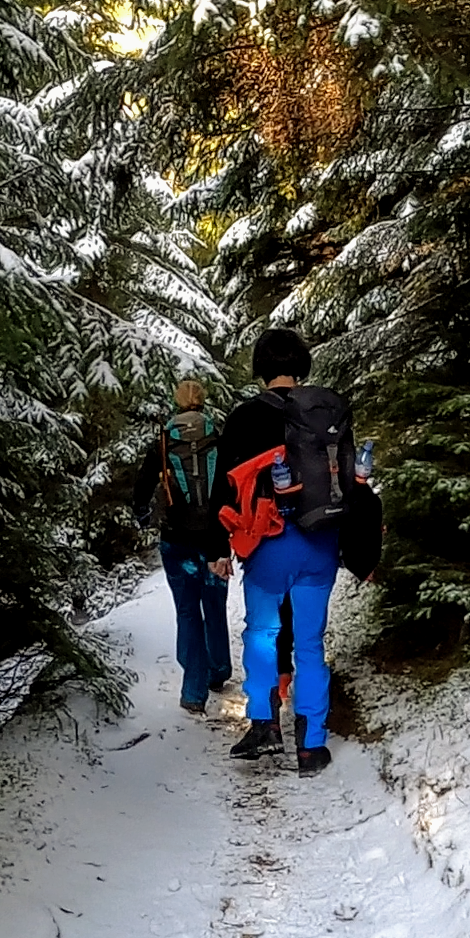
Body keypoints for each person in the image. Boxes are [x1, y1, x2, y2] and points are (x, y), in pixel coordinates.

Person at [209, 329, 382, 777]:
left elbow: (221, 490)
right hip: (321, 542)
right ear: (302, 366)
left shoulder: (245, 416)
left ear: (260, 368)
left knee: (263, 633)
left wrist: (217, 547)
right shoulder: (326, 413)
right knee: (309, 643)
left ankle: (265, 724)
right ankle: (311, 745)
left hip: (269, 543)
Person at [133, 379, 233, 714]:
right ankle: (219, 671)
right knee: (215, 604)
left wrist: (143, 514)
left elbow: (143, 486)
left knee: (188, 611)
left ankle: (193, 691)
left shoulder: (163, 441)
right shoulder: (220, 437)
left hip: (176, 538)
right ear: (203, 401)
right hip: (215, 539)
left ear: (177, 402)